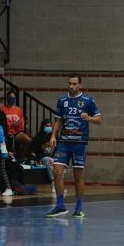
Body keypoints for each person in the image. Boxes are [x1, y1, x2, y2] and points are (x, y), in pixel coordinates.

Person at [46, 75, 100, 219]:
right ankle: (60, 205)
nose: (71, 86)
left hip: (80, 143)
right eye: (69, 83)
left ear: (80, 85)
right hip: (64, 142)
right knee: (57, 171)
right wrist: (53, 136)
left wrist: (89, 118)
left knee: (77, 176)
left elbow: (99, 119)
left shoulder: (88, 100)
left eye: (74, 84)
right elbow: (58, 120)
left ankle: (79, 207)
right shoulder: (62, 100)